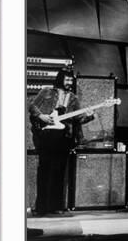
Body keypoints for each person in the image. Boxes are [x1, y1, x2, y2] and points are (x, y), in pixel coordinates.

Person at [29, 68, 94, 217]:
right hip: (45, 135)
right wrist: (42, 116)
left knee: (59, 173)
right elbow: (31, 107)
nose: (69, 82)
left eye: (71, 80)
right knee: (44, 171)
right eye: (67, 79)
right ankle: (41, 207)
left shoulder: (73, 98)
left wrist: (91, 116)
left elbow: (79, 119)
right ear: (60, 79)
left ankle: (55, 206)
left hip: (64, 137)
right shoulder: (46, 92)